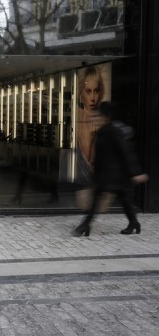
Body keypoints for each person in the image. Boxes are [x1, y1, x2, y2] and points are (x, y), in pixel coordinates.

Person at [73, 102, 149, 237]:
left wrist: (136, 173)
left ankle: (86, 225)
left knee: (108, 200)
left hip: (117, 175)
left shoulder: (113, 132)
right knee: (117, 200)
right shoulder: (101, 132)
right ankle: (133, 222)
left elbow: (126, 152)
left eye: (97, 116)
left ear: (105, 117)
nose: (93, 118)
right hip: (106, 174)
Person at [76, 66, 105, 183]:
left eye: (96, 91)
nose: (93, 98)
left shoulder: (103, 120)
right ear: (81, 93)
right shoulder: (76, 118)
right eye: (88, 91)